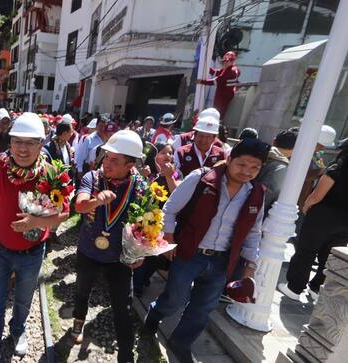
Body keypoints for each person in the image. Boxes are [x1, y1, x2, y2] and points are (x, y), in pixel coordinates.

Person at [143, 138, 270, 363]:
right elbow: (170, 209)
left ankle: (181, 343)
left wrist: (250, 266)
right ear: (229, 159)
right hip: (190, 252)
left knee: (203, 308)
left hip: (222, 261)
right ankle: (154, 315)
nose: (247, 172)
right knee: (175, 298)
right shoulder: (201, 179)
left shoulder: (256, 194)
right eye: (242, 164)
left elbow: (253, 233)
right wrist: (168, 239)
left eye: (255, 168)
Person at [0, 113, 70, 362]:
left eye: (30, 142)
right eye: (17, 141)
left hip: (33, 252)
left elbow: (64, 213)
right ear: (9, 143)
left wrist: (36, 222)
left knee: (23, 300)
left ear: (41, 144)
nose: (23, 148)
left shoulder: (52, 174)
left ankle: (18, 331)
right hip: (0, 248)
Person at [73, 130, 146, 362]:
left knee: (123, 307)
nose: (107, 163)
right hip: (88, 250)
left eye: (115, 160)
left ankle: (126, 355)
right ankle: (78, 320)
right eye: (106, 157)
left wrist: (141, 252)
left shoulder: (141, 187)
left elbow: (148, 222)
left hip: (120, 258)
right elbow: (79, 206)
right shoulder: (92, 178)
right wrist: (96, 200)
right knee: (82, 289)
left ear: (130, 164)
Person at [279, 139, 348, 302]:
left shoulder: (339, 166)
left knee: (306, 251)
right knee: (329, 256)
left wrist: (308, 204)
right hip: (345, 222)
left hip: (323, 215)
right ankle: (317, 288)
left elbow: (318, 194)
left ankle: (294, 288)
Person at [132, 142, 182, 297]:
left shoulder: (175, 174)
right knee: (143, 255)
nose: (168, 156)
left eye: (170, 153)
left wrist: (168, 176)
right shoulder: (148, 171)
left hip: (163, 224)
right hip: (145, 221)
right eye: (163, 152)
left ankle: (143, 279)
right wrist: (143, 177)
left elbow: (178, 197)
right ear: (155, 156)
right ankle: (137, 286)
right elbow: (138, 195)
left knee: (157, 258)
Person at [256, 129, 298, 213]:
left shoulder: (258, 152)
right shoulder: (281, 168)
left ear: (274, 141)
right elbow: (264, 198)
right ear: (296, 148)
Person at [196, 51, 240, 120]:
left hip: (223, 95)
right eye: (224, 61)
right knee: (219, 112)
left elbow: (216, 81)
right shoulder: (234, 69)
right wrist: (207, 68)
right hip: (226, 94)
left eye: (227, 61)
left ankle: (217, 125)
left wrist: (201, 81)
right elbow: (219, 72)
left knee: (217, 113)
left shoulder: (230, 71)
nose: (225, 63)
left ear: (232, 61)